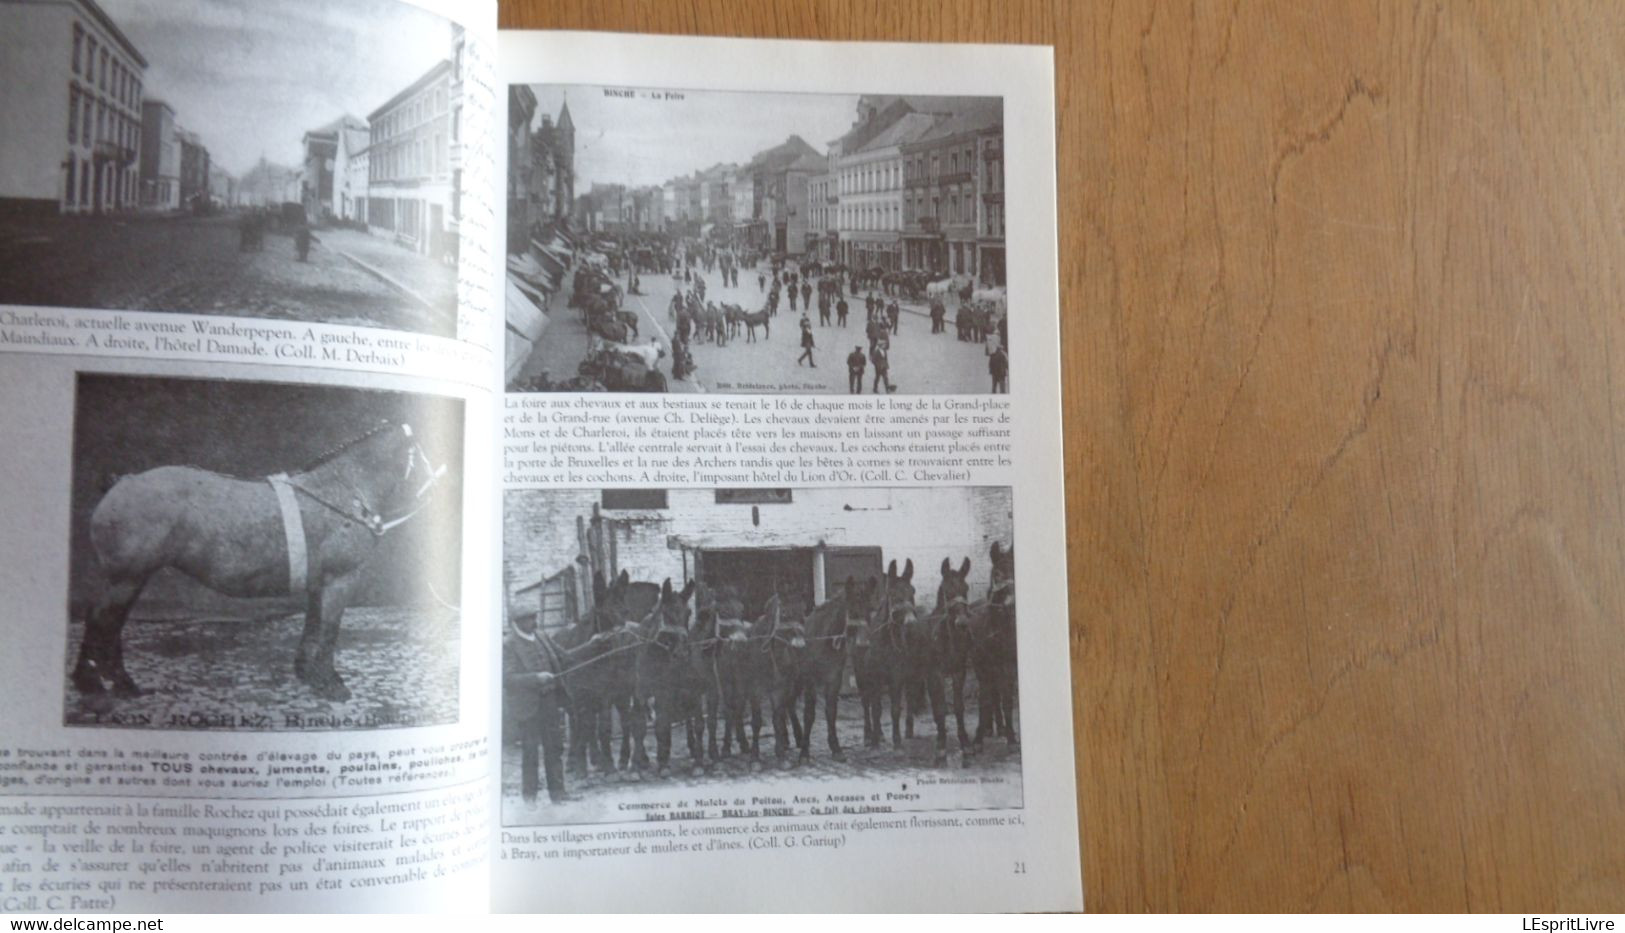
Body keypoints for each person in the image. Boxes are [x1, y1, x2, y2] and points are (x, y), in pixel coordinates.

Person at [503, 615, 610, 806]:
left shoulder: (542, 636)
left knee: (554, 749)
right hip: (527, 709)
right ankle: (530, 799)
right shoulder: (509, 644)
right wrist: (537, 677)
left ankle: (558, 794)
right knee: (530, 753)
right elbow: (508, 679)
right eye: (529, 619)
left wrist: (591, 645)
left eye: (535, 617)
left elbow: (566, 657)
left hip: (550, 704)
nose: (534, 622)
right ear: (517, 623)